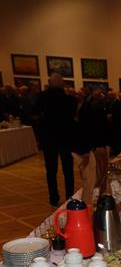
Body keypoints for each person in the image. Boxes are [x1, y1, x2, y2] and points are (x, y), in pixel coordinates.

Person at [36, 73, 76, 206]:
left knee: (51, 170)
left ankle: (53, 197)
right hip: (66, 138)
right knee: (68, 170)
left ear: (50, 83)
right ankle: (70, 196)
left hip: (49, 138)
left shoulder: (43, 97)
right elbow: (72, 116)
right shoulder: (70, 99)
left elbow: (35, 113)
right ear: (62, 84)